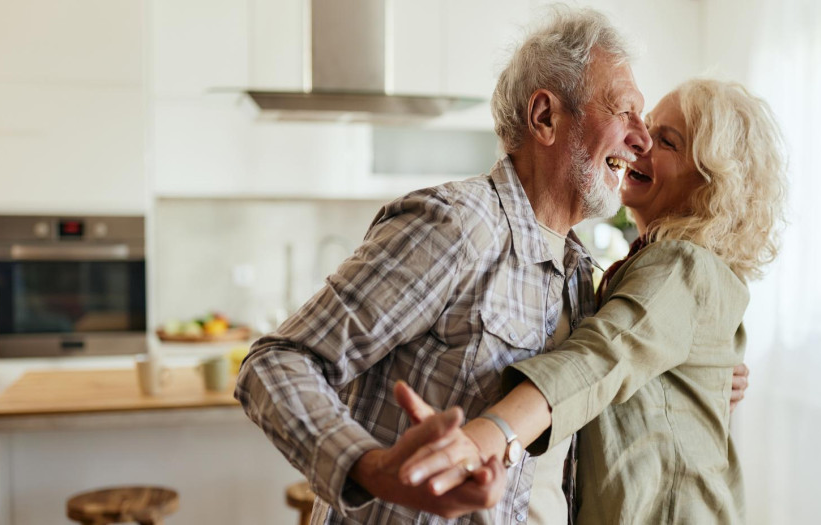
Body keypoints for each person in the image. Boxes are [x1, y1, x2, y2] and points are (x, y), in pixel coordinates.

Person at [235, 7, 652, 524]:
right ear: (545, 116)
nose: (643, 139)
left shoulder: (577, 275)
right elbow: (275, 361)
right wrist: (368, 465)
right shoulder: (457, 227)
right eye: (624, 111)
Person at [396, 78, 788, 524]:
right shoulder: (650, 263)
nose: (640, 142)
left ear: (711, 183)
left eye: (667, 141)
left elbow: (601, 357)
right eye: (647, 127)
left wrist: (489, 435)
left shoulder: (681, 265)